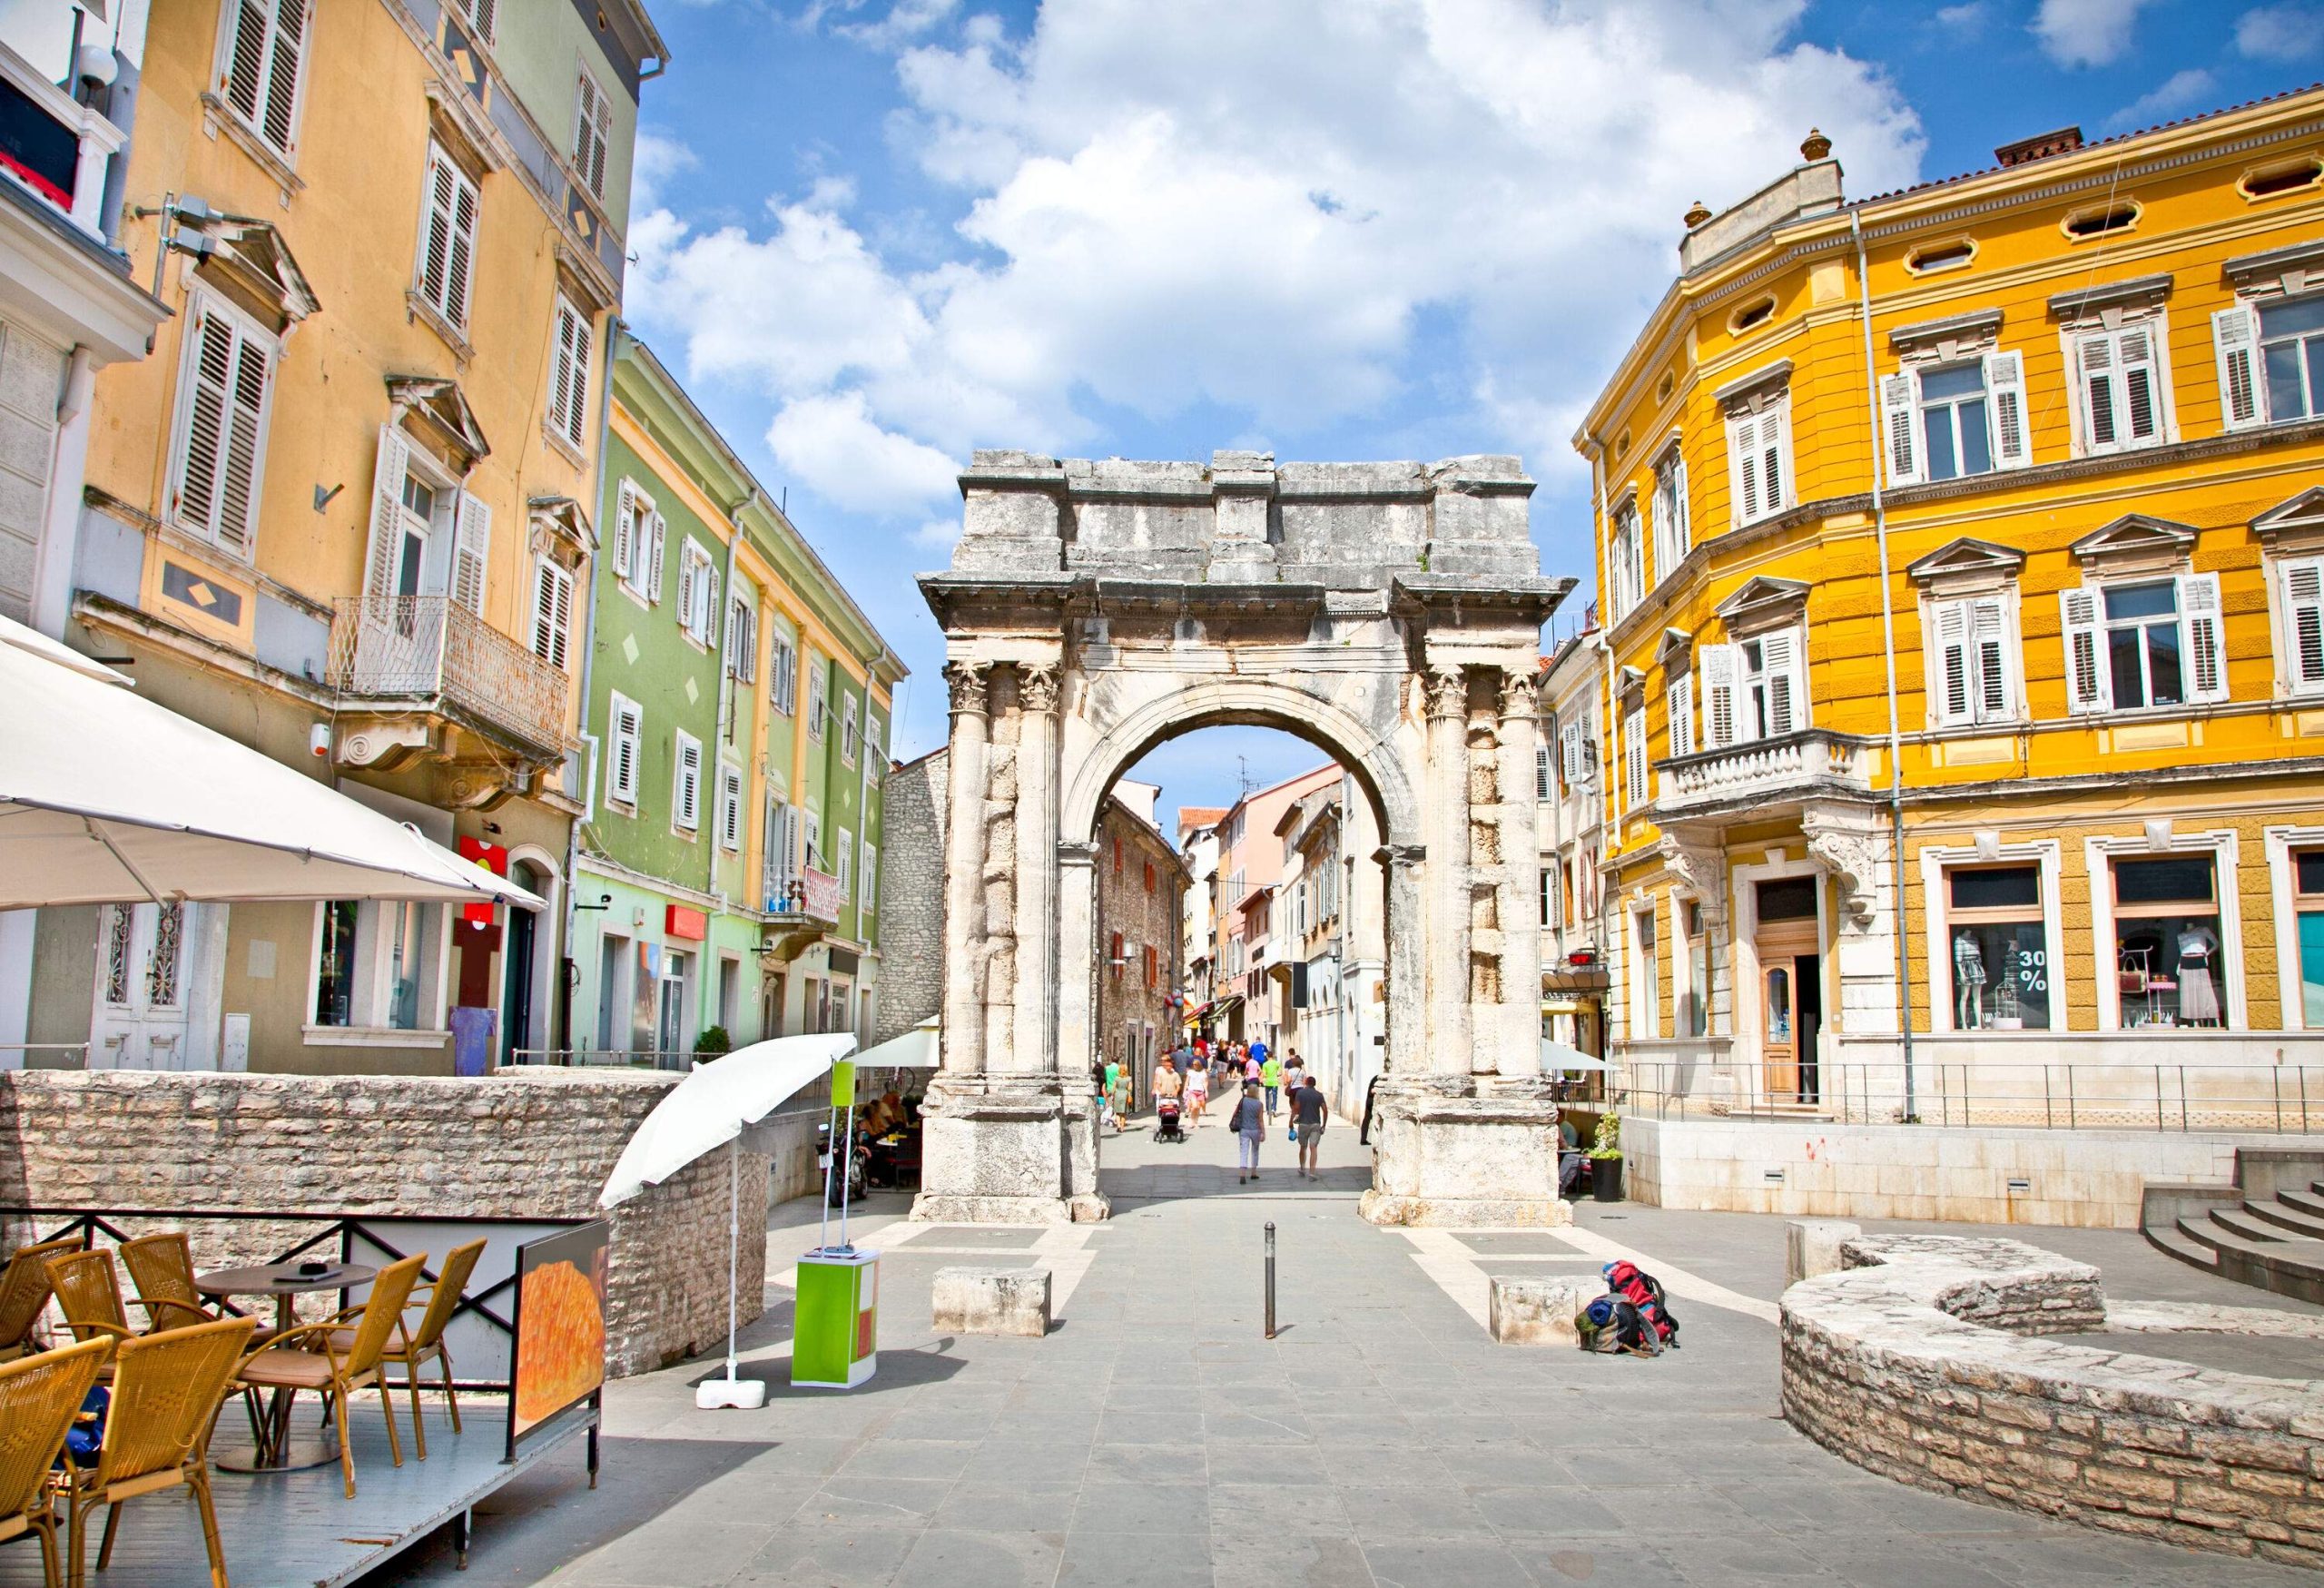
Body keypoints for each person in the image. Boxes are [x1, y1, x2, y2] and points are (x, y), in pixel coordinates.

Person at [1287, 1071, 1328, 1178]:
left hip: (1303, 1124)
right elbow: (1325, 1110)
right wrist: (1324, 1125)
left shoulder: (1300, 1093)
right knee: (1313, 1147)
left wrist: (1291, 1121)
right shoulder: (1319, 1095)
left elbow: (1296, 1108)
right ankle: (1312, 1172)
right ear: (1314, 1084)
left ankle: (1302, 1168)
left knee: (1303, 1147)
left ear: (1306, 1083)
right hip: (1315, 1124)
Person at [1229, 1080, 1266, 1183]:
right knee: (1255, 1150)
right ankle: (1253, 1172)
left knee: (1244, 1151)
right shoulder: (1259, 1104)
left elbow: (1236, 1112)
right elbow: (1260, 1120)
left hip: (1244, 1130)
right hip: (1255, 1130)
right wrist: (1263, 1132)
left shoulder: (1243, 1101)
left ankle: (1242, 1174)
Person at [1558, 1116, 1584, 1197]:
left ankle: (1560, 1182)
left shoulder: (1563, 1125)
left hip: (1589, 1158)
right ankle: (1561, 1185)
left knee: (1569, 1160)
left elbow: (1562, 1141)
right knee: (1570, 1160)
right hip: (1583, 1156)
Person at [1186, 1053, 1210, 1125]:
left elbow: (1205, 1083)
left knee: (1198, 1108)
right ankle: (1192, 1121)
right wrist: (1185, 1090)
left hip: (1200, 1092)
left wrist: (1206, 1091)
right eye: (1193, 1065)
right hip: (1192, 1091)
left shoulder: (1203, 1073)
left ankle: (1195, 1123)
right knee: (1195, 1106)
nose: (1194, 1066)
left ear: (1199, 1065)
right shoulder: (1190, 1072)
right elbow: (1187, 1082)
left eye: (1195, 1064)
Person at [1259, 1050, 1284, 1117]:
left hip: (1268, 1082)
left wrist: (1268, 1075)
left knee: (1267, 1097)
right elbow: (1280, 1073)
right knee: (1275, 1096)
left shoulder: (1265, 1064)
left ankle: (1268, 1111)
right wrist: (1276, 1075)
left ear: (1267, 1056)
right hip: (1275, 1082)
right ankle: (1274, 1109)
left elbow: (1264, 1075)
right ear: (1272, 1056)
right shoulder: (1277, 1063)